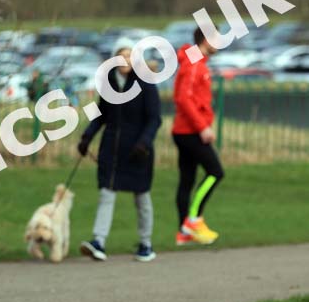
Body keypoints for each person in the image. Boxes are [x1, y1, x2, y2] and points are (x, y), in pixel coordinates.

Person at [77, 37, 162, 262]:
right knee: (106, 193)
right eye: (122, 55)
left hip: (138, 150)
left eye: (130, 55)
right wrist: (87, 137)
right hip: (111, 149)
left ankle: (146, 244)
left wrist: (144, 142)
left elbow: (154, 119)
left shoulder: (146, 83)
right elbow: (101, 115)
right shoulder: (109, 84)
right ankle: (99, 242)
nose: (125, 59)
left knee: (141, 197)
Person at [171, 27, 223, 245]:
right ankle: (193, 220)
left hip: (184, 130)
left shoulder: (195, 61)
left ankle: (184, 231)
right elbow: (184, 98)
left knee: (187, 180)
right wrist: (202, 127)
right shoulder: (194, 64)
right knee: (215, 172)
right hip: (190, 132)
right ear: (206, 39)